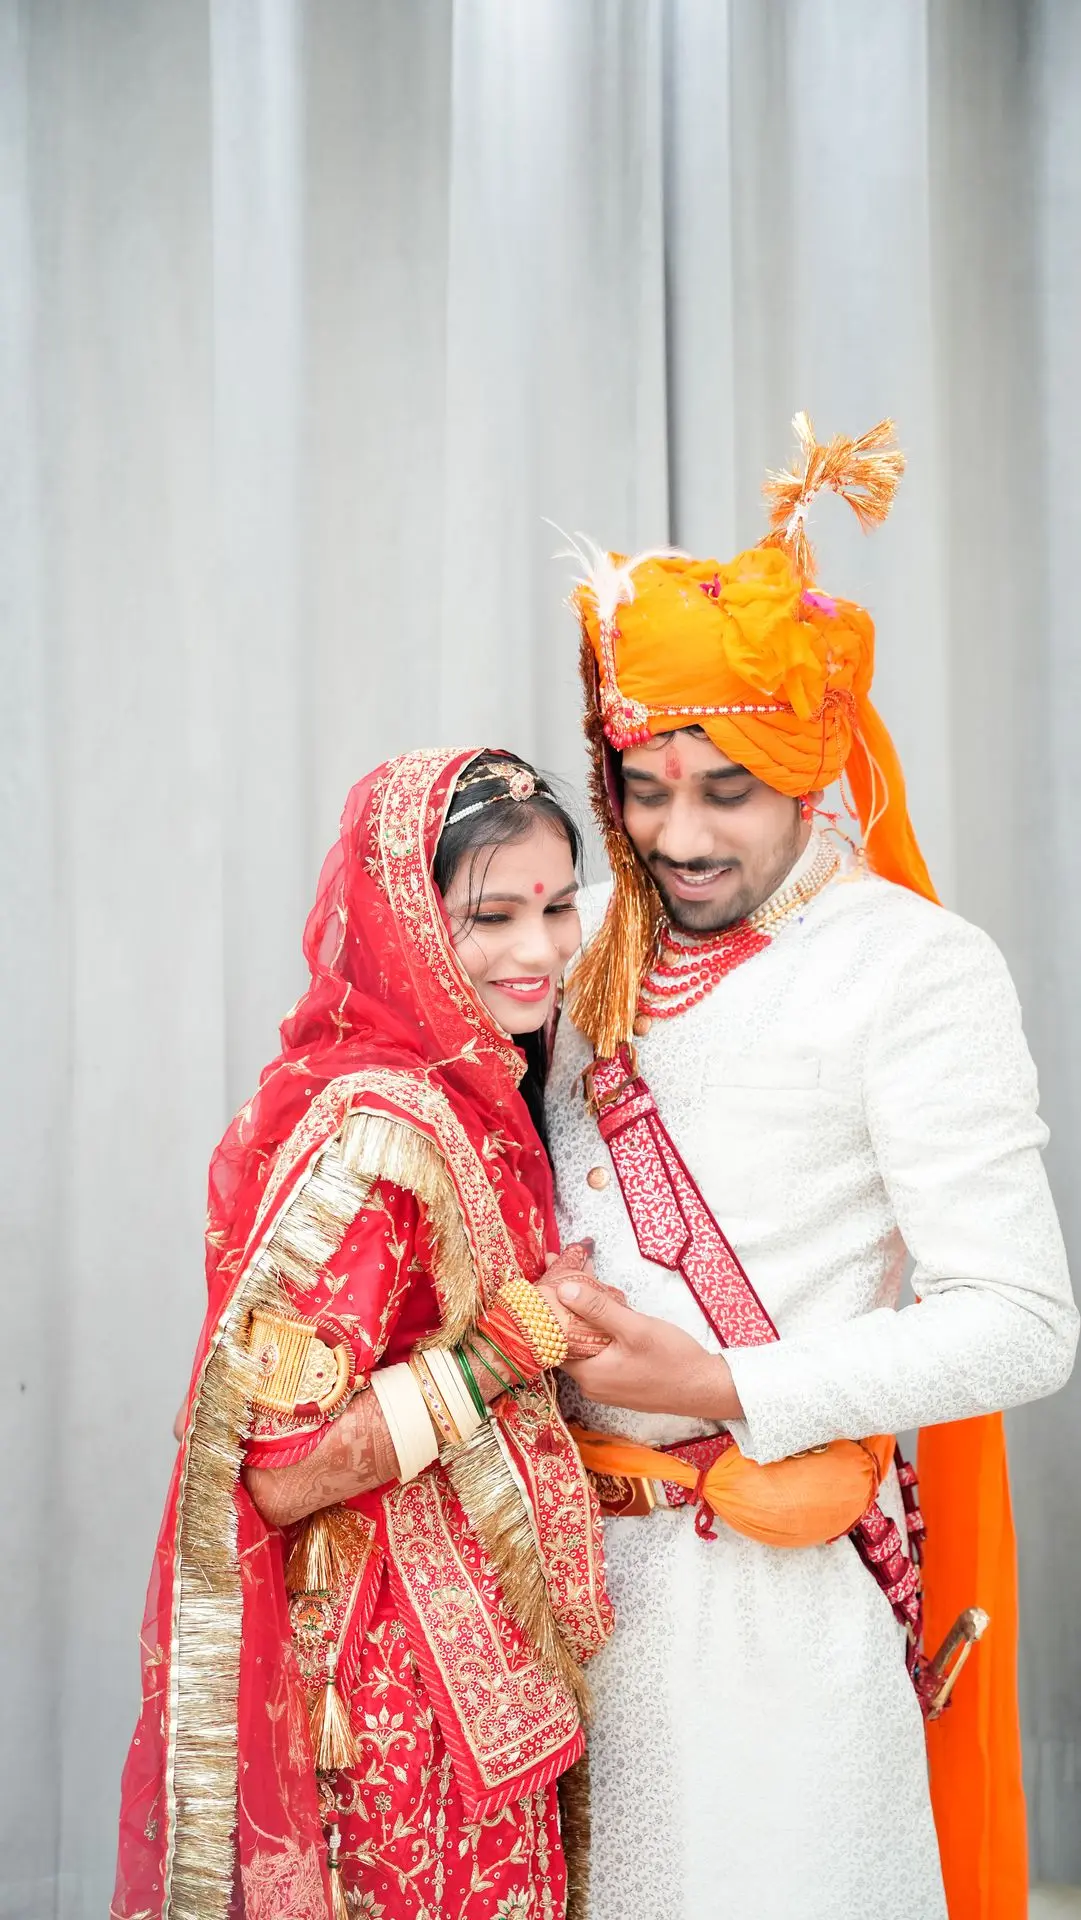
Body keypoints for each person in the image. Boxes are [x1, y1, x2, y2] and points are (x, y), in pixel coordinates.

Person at [542, 417, 1078, 1920]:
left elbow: (1023, 1324)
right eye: (647, 787)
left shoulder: (913, 970)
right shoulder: (569, 935)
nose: (678, 834)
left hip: (763, 1612)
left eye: (728, 789)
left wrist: (716, 1385)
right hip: (544, 1600)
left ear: (813, 762)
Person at [113, 748, 615, 1920]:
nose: (538, 951)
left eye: (554, 907)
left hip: (479, 1660)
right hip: (391, 1689)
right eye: (492, 916)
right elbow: (280, 1471)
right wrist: (510, 1343)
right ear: (408, 926)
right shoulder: (377, 1137)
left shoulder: (475, 1093)